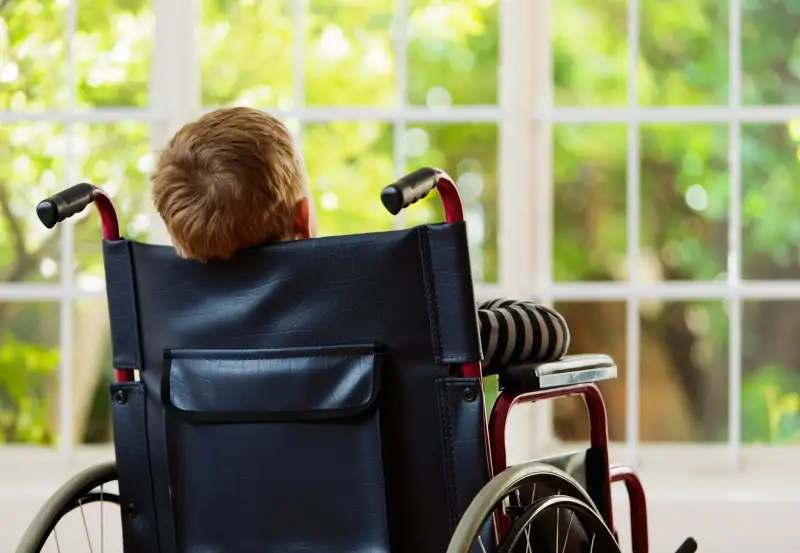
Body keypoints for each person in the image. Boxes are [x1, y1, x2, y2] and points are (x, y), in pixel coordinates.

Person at [150, 107, 570, 372]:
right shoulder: (378, 308)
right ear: (303, 217)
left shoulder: (167, 323)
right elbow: (549, 331)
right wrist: (460, 317)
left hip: (228, 512)